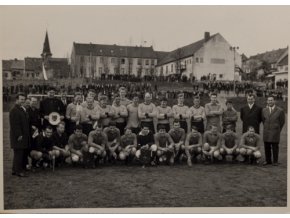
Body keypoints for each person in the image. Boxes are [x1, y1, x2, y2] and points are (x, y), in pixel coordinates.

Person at [9, 93, 30, 177]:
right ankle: (19, 171)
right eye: (21, 99)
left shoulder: (21, 109)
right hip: (18, 136)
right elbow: (15, 124)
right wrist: (19, 135)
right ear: (16, 100)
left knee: (19, 153)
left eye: (23, 99)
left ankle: (15, 170)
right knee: (19, 153)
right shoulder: (14, 110)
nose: (22, 101)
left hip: (22, 135)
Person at [262, 96, 285, 166]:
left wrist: (277, 129)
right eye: (268, 100)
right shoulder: (264, 110)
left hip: (275, 131)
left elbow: (282, 122)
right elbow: (263, 120)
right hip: (266, 131)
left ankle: (275, 161)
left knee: (275, 146)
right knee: (267, 146)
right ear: (267, 101)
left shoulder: (280, 110)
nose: (270, 102)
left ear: (274, 101)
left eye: (271, 100)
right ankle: (268, 160)